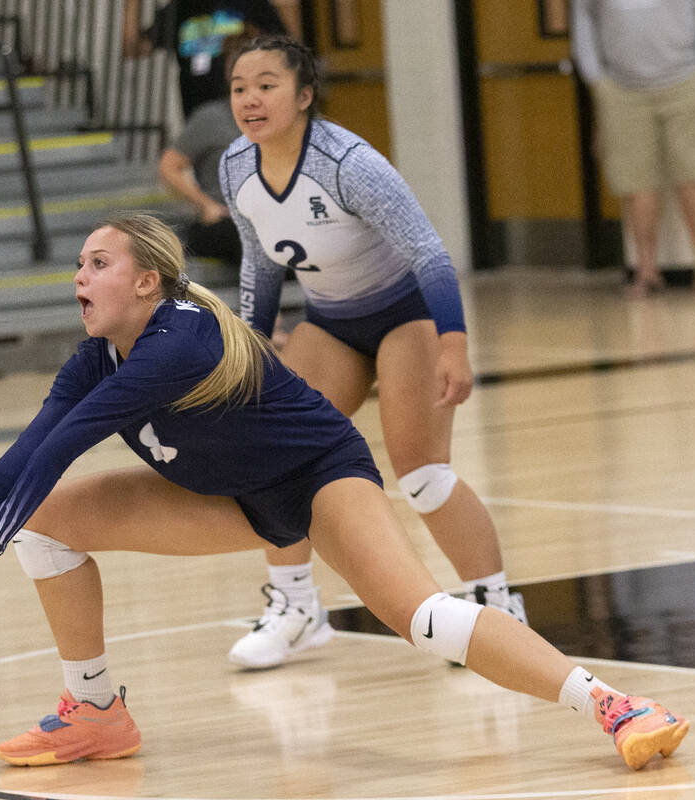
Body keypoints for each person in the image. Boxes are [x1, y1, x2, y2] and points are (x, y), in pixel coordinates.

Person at [0, 211, 690, 772]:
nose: (79, 277)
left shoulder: (180, 339)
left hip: (319, 477)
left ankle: (614, 706)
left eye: (98, 263)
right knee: (45, 523)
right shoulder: (96, 358)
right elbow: (34, 453)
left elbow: (70, 443)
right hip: (231, 498)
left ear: (147, 279)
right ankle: (96, 713)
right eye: (78, 266)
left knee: (421, 616)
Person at [218, 35, 526, 670]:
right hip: (329, 321)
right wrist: (249, 354)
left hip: (404, 315)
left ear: (304, 97)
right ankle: (298, 609)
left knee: (421, 474)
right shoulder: (234, 167)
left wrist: (453, 344)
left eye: (267, 85)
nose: (250, 99)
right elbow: (262, 266)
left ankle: (497, 608)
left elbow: (429, 253)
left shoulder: (348, 163)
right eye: (239, 87)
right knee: (276, 458)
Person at [571, 0, 695, 297]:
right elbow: (584, 19)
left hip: (686, 82)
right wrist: (595, 76)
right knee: (635, 182)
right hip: (621, 89)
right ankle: (646, 272)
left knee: (693, 175)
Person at [122, 0, 300, 119]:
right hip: (198, 116)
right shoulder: (181, 7)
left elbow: (288, 50)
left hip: (248, 114)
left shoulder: (251, 4)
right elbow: (134, 49)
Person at [159, 97, 243, 268]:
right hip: (225, 220)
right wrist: (206, 205)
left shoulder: (289, 118)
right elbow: (169, 165)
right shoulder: (213, 118)